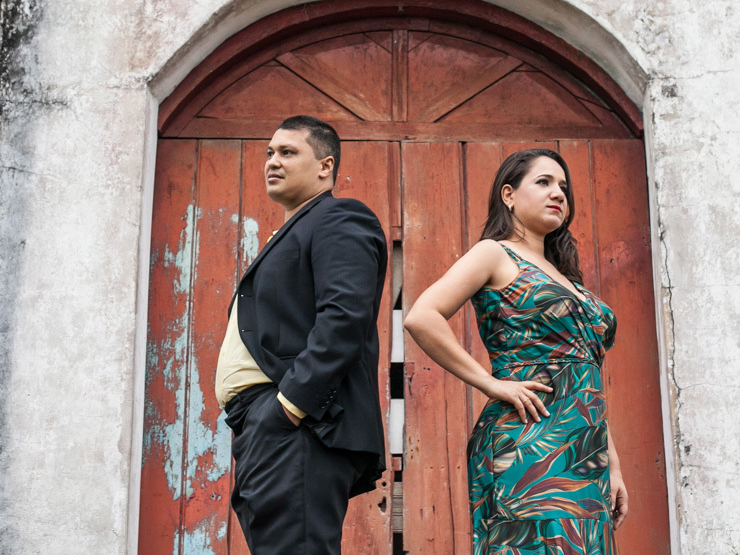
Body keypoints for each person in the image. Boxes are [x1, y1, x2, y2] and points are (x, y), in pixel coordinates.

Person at [404, 149, 628, 554]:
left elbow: (585, 376)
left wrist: (611, 462)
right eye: (543, 182)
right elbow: (422, 316)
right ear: (508, 195)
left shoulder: (568, 278)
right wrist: (491, 384)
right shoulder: (495, 253)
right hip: (527, 440)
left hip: (585, 450)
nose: (558, 193)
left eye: (563, 187)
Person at [214, 115, 388, 555]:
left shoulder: (338, 217)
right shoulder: (295, 229)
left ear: (325, 166)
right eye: (269, 153)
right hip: (264, 427)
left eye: (288, 152)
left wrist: (288, 408)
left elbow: (344, 318)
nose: (272, 161)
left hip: (298, 426)